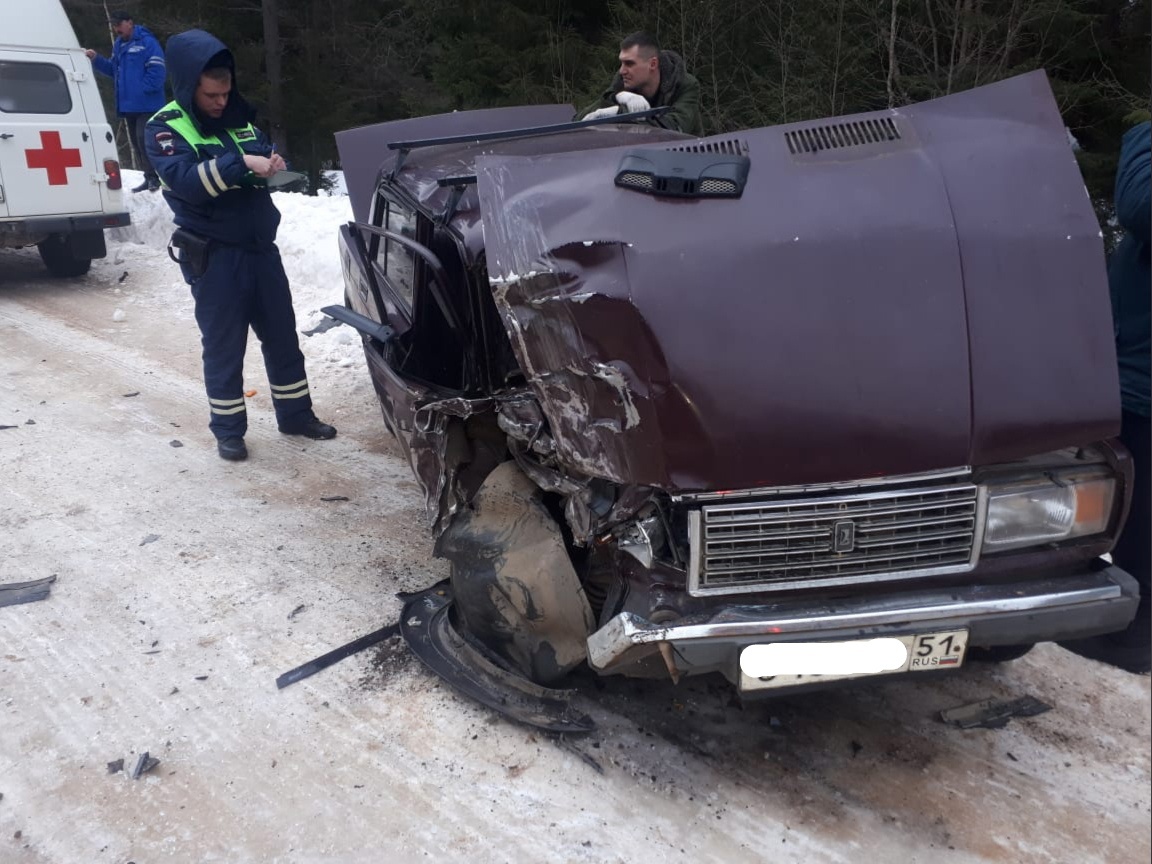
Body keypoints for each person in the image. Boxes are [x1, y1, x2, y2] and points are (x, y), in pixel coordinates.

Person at [145, 29, 336, 462]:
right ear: (189, 85)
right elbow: (188, 183)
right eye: (212, 95)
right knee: (225, 348)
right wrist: (241, 164)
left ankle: (296, 415)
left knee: (284, 339)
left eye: (226, 92)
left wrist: (271, 165)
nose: (220, 102)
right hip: (215, 256)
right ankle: (229, 431)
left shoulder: (240, 119)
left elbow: (258, 157)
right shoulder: (164, 129)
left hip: (260, 250)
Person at [1061, 121, 1151, 674]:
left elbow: (1139, 203)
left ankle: (1133, 635)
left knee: (1135, 503)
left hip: (1141, 375)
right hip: (1130, 362)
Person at [85, 10, 166, 193]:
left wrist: (142, 90)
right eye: (114, 25)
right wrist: (95, 59)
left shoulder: (147, 42)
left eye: (119, 24)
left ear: (130, 22)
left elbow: (158, 71)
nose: (116, 28)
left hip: (148, 104)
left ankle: (157, 177)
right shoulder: (119, 45)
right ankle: (149, 177)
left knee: (144, 139)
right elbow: (113, 70)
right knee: (137, 144)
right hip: (129, 105)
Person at [578, 31, 703, 137]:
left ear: (653, 64)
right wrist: (616, 97)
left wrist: (620, 113)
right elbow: (579, 119)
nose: (622, 70)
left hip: (687, 158)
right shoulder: (624, 82)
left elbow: (675, 129)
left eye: (629, 63)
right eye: (621, 63)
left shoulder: (684, 85)